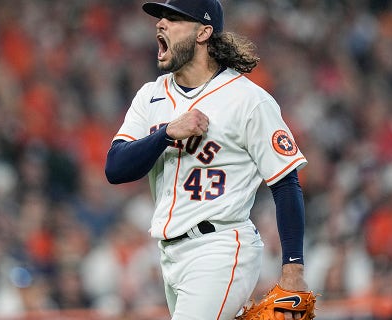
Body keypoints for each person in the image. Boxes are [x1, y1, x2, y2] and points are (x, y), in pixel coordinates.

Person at [104, 0, 309, 319]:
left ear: (204, 32)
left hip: (221, 247)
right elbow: (115, 168)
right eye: (160, 18)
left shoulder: (247, 100)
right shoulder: (151, 96)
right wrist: (166, 133)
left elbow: (286, 184)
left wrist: (293, 268)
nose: (160, 24)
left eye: (172, 18)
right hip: (169, 252)